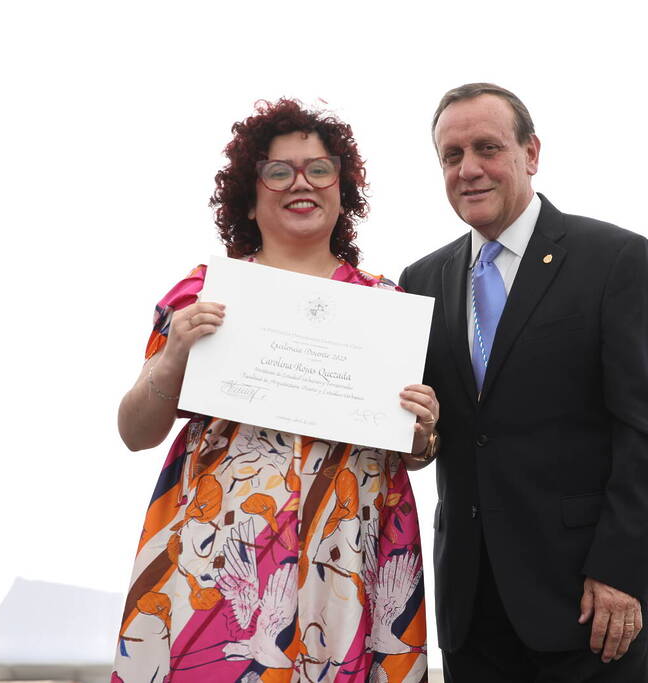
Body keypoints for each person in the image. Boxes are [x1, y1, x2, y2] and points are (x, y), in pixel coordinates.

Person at [113, 98, 435, 683]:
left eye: (319, 169)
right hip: (223, 552)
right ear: (248, 195)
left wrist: (421, 432)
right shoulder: (202, 294)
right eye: (279, 171)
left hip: (349, 549)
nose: (301, 184)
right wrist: (175, 355)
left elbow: (412, 452)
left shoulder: (387, 306)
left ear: (343, 191)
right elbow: (135, 432)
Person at [398, 83, 648, 681]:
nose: (468, 169)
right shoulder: (421, 280)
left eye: (487, 148)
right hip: (471, 606)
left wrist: (620, 572)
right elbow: (428, 434)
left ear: (530, 153)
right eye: (452, 156)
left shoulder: (613, 259)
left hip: (588, 600)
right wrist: (419, 437)